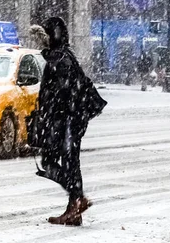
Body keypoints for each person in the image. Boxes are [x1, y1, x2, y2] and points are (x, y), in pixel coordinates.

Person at [33, 17, 100, 226]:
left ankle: (77, 197)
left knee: (51, 163)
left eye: (44, 37)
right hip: (71, 118)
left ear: (52, 36)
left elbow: (63, 93)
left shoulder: (60, 59)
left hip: (66, 119)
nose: (41, 42)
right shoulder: (63, 56)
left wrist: (51, 116)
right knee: (70, 163)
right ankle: (75, 210)